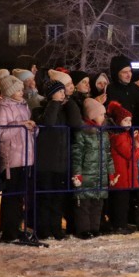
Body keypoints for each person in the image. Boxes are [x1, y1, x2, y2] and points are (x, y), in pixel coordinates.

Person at [31, 80, 82, 240]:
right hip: (45, 163)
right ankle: (43, 229)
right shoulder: (40, 109)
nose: (63, 93)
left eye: (63, 91)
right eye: (59, 91)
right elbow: (49, 122)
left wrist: (71, 102)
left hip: (61, 162)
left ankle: (56, 227)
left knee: (58, 198)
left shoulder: (66, 109)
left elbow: (76, 124)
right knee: (45, 198)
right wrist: (54, 103)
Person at [0, 75, 38, 242]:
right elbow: (1, 134)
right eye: (17, 90)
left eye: (21, 89)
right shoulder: (2, 108)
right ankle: (9, 231)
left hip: (26, 154)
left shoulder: (24, 106)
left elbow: (28, 130)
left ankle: (18, 228)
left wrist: (32, 128)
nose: (21, 92)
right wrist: (20, 126)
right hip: (12, 157)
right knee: (12, 196)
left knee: (21, 196)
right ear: (9, 92)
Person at [71, 98, 117, 239]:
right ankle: (83, 229)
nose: (104, 117)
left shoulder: (103, 133)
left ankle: (94, 227)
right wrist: (77, 173)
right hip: (86, 174)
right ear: (92, 116)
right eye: (101, 114)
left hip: (100, 175)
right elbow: (77, 155)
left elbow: (108, 155)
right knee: (84, 204)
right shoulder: (82, 133)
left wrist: (111, 173)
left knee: (98, 203)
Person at [106, 101, 139, 235]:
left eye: (130, 120)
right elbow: (130, 154)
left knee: (123, 201)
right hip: (120, 175)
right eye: (126, 120)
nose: (129, 123)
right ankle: (118, 225)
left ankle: (121, 223)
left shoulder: (124, 135)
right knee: (120, 202)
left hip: (124, 174)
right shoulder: (119, 137)